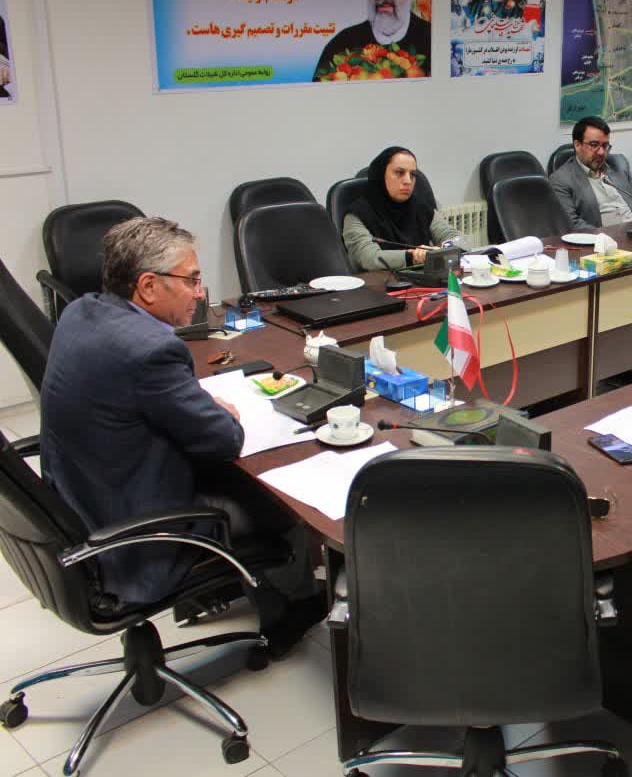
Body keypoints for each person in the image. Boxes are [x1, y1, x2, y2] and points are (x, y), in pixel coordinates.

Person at [40, 217, 323, 656]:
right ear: (148, 286)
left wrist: (193, 403)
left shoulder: (80, 312)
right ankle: (295, 605)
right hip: (133, 531)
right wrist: (217, 412)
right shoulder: (149, 351)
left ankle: (247, 589)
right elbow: (225, 440)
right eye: (191, 280)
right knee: (273, 490)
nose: (199, 293)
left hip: (80, 501)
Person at [343, 146, 464, 271]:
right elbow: (370, 258)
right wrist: (413, 256)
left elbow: (456, 239)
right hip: (378, 282)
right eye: (399, 173)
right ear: (381, 175)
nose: (408, 181)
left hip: (422, 279)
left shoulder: (421, 207)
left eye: (412, 174)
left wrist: (445, 248)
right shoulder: (357, 215)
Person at [551, 116, 632, 230]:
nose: (601, 152)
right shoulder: (561, 179)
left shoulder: (619, 164)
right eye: (594, 145)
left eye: (605, 146)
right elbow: (572, 223)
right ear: (577, 145)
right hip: (603, 237)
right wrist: (604, 237)